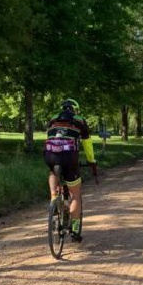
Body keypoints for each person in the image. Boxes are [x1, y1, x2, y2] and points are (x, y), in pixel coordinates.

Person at [44, 98, 97, 242]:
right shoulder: (80, 121)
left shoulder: (52, 119)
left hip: (50, 155)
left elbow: (48, 136)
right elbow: (87, 144)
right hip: (69, 157)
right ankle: (75, 230)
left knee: (53, 171)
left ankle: (54, 198)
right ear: (75, 110)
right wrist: (91, 161)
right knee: (75, 195)